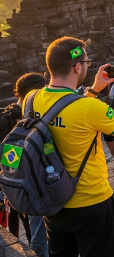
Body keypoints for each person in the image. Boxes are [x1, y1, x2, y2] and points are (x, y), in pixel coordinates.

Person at [28, 37, 114, 256]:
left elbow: (65, 110)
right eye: (87, 62)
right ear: (77, 66)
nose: (87, 66)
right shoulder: (89, 108)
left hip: (53, 202)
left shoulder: (33, 99)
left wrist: (95, 89)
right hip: (91, 203)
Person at [6, 73, 48, 257]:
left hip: (12, 183)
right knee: (38, 229)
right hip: (31, 183)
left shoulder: (9, 114)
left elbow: (9, 158)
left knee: (27, 225)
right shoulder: (25, 116)